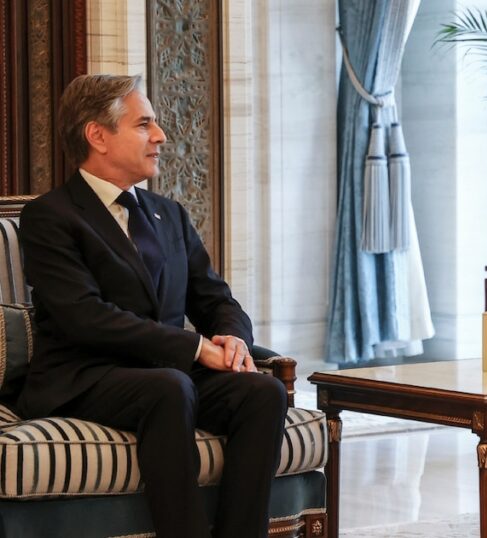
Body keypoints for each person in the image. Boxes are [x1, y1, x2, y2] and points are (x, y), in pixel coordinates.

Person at [16, 74, 287, 538]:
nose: (160, 136)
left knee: (263, 392)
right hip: (87, 374)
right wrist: (195, 347)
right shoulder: (50, 216)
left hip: (167, 373)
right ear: (97, 136)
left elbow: (215, 298)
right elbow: (86, 317)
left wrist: (234, 338)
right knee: (169, 387)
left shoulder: (169, 214)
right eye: (144, 124)